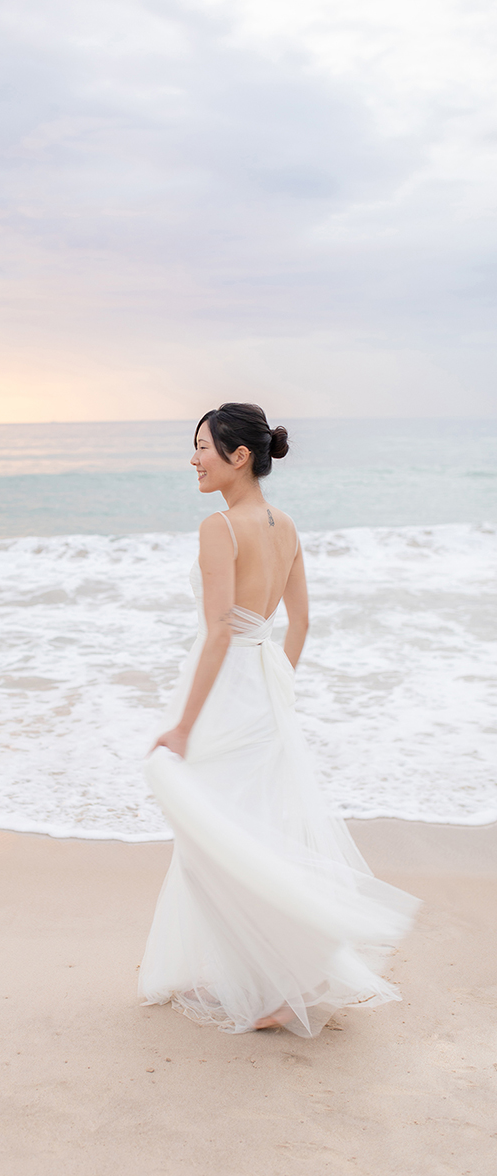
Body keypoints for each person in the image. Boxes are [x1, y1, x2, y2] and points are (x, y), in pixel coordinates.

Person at [140, 403, 418, 1037]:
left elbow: (217, 633)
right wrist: (278, 689)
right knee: (252, 830)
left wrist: (183, 725)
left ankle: (290, 971)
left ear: (240, 456)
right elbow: (302, 623)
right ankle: (272, 969)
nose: (194, 459)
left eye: (204, 447)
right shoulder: (286, 525)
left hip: (226, 691)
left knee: (216, 837)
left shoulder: (220, 527)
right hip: (265, 685)